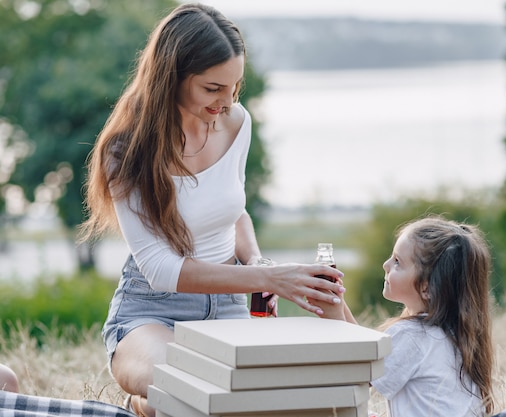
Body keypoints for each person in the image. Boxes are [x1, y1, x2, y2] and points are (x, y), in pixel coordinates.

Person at [79, 3, 345, 416]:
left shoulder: (237, 123)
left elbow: (233, 211)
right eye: (212, 88)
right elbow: (161, 269)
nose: (226, 101)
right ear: (172, 77)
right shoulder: (126, 150)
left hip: (229, 306)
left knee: (279, 396)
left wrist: (255, 261)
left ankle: (152, 407)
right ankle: (149, 401)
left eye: (234, 87)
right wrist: (267, 275)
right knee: (199, 384)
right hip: (152, 311)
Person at [319, 215, 494, 417]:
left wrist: (334, 315)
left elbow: (357, 374)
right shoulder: (454, 332)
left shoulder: (412, 335)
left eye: (397, 262)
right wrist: (339, 304)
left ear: (426, 287)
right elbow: (366, 354)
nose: (386, 265)